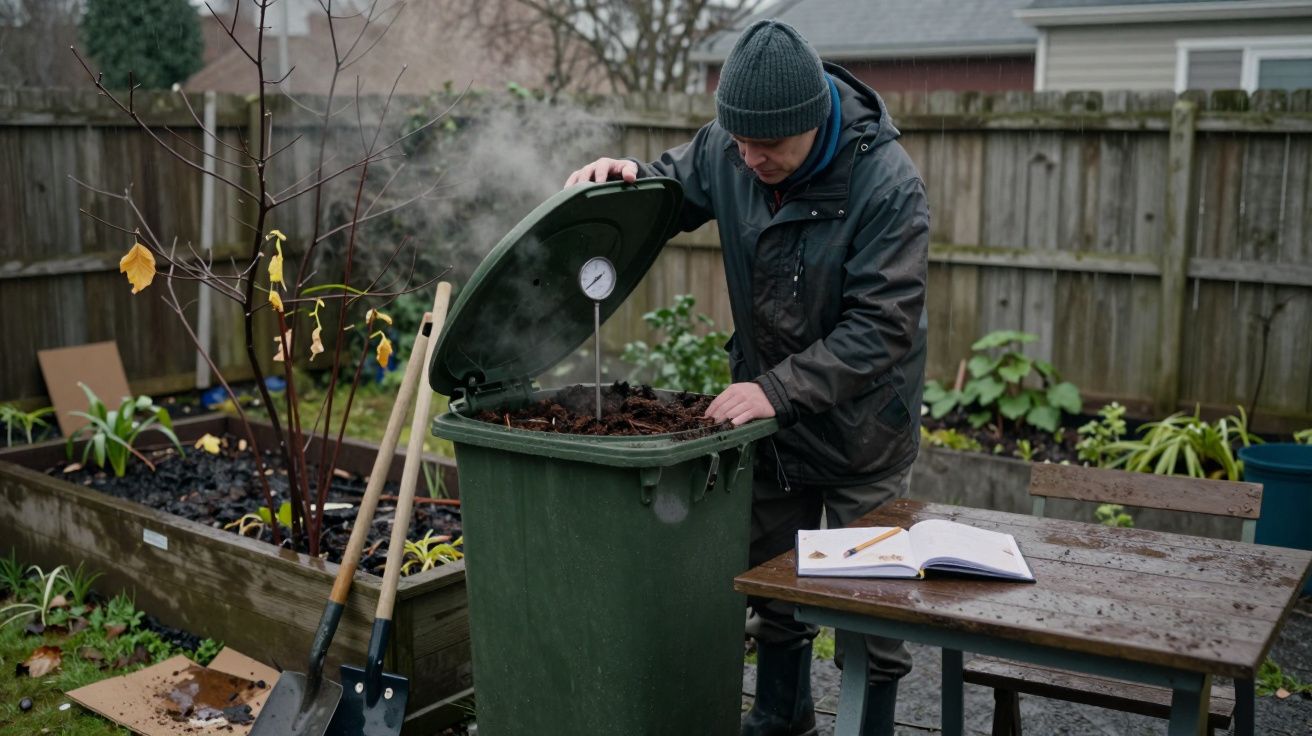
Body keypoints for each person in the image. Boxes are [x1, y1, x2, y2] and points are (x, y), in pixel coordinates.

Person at [565, 18, 928, 736]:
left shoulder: (887, 184)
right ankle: (782, 719)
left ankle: (873, 724)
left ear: (813, 120)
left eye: (768, 147)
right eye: (738, 141)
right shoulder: (731, 149)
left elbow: (882, 326)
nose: (748, 158)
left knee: (871, 608)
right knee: (772, 583)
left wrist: (778, 390)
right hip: (773, 431)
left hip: (864, 436)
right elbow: (672, 187)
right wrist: (629, 178)